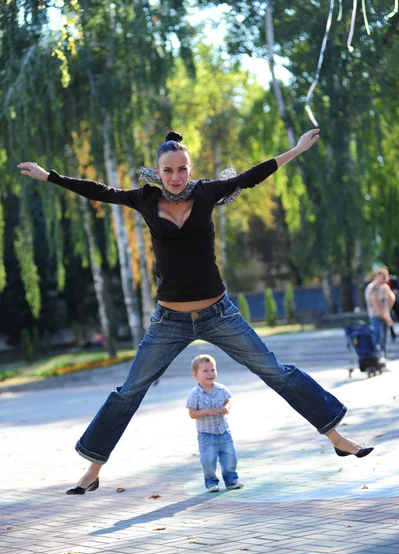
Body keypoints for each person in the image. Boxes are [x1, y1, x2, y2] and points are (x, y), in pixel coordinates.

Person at [18, 128, 374, 496]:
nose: (176, 177)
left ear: (190, 168)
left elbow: (252, 176)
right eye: (168, 170)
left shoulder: (207, 193)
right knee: (129, 391)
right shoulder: (144, 198)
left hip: (219, 313)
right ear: (158, 171)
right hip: (169, 321)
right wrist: (50, 176)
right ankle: (92, 470)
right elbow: (99, 191)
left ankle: (337, 438)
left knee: (275, 371)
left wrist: (297, 150)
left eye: (182, 169)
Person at [187, 354, 243, 493]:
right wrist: (206, 411)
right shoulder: (195, 394)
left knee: (230, 456)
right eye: (205, 371)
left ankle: (231, 479)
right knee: (208, 461)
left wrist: (227, 408)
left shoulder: (221, 389)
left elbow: (228, 401)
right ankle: (211, 482)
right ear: (196, 375)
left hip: (224, 432)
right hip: (206, 435)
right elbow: (192, 413)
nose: (210, 373)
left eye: (213, 369)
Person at [365, 267, 396, 358]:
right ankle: (376, 357)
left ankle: (383, 358)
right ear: (378, 276)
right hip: (376, 315)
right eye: (383, 277)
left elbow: (392, 297)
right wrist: (386, 316)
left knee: (385, 338)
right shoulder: (372, 288)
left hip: (384, 315)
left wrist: (388, 310)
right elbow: (374, 304)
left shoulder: (384, 287)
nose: (385, 279)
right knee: (378, 335)